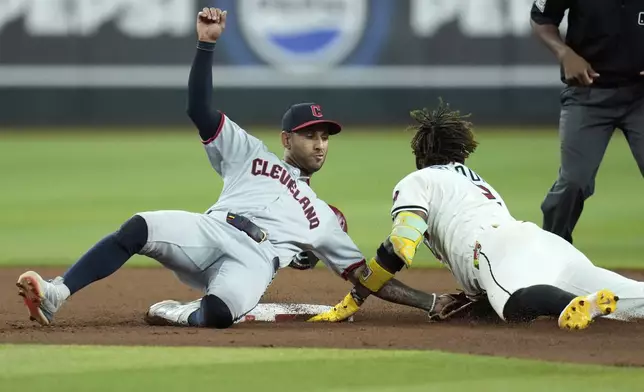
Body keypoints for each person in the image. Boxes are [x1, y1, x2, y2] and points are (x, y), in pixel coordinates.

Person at [16, 8, 457, 329]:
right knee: (138, 227)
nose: (320, 143)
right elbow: (198, 107)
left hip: (254, 260)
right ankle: (56, 294)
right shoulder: (251, 152)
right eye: (310, 134)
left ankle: (174, 311)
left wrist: (429, 300)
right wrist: (206, 44)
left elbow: (365, 276)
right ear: (288, 139)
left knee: (220, 315)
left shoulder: (324, 218)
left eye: (325, 136)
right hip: (213, 231)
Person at [310, 100, 644, 330]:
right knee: (627, 296)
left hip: (493, 249)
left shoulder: (418, 180)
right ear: (460, 152)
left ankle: (578, 302)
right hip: (543, 242)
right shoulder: (476, 181)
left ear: (420, 154)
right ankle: (607, 297)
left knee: (514, 306)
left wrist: (354, 299)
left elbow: (401, 244)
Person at [530, 0, 644, 244]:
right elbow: (542, 18)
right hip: (588, 92)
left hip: (641, 95)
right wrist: (564, 53)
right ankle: (551, 254)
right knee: (573, 182)